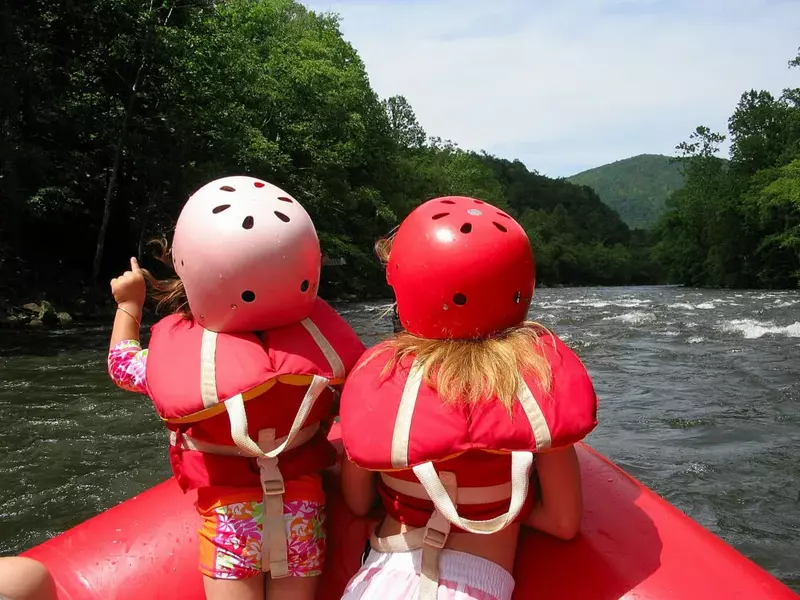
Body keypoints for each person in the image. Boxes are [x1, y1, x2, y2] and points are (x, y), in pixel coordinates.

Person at [107, 176, 365, 600]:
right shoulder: (321, 347)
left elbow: (121, 366)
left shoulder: (181, 357)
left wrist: (129, 303)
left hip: (230, 518)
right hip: (303, 510)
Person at [338, 196, 599, 600]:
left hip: (382, 579)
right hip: (476, 586)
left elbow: (357, 502)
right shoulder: (535, 389)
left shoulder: (381, 378)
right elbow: (563, 523)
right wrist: (501, 511)